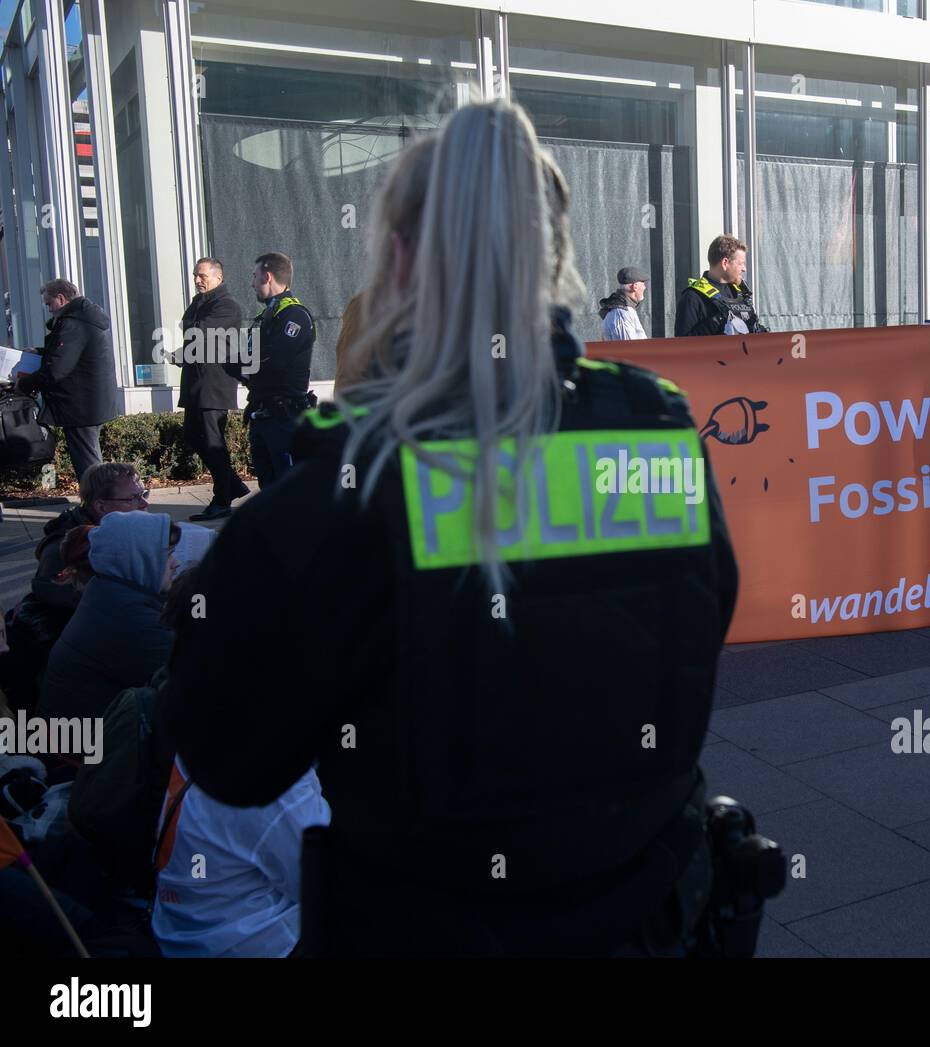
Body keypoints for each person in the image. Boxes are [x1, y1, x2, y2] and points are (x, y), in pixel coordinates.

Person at [160, 100, 739, 958]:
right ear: (556, 257)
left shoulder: (344, 486)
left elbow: (226, 756)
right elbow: (703, 623)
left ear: (398, 262)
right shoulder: (657, 429)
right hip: (647, 921)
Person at [0, 464, 149, 712]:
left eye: (145, 495)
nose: (144, 504)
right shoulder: (67, 548)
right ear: (101, 506)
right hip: (48, 665)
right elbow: (87, 606)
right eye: (134, 498)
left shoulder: (122, 532)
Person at [152, 759, 329, 958]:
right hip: (258, 943)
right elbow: (325, 886)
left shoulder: (204, 739)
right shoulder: (273, 779)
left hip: (184, 933)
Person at [37, 512, 179, 722]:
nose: (176, 563)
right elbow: (200, 676)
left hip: (75, 739)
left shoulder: (105, 592)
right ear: (138, 560)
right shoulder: (131, 620)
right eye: (168, 555)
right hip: (87, 750)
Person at [14, 279, 117, 484]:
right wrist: (40, 352)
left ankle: (98, 505)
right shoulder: (87, 317)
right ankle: (99, 503)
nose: (49, 310)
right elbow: (70, 354)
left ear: (61, 299)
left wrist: (24, 384)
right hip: (90, 402)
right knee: (90, 457)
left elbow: (57, 369)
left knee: (87, 463)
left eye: (48, 304)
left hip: (80, 405)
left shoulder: (73, 323)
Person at [231, 252, 316, 487]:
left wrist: (236, 365)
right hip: (263, 415)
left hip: (285, 418)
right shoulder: (266, 315)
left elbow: (274, 362)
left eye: (254, 276)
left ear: (267, 277)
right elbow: (254, 363)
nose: (251, 283)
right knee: (268, 488)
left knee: (290, 491)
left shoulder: (295, 315)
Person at [178, 258, 251, 521]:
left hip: (214, 384)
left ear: (218, 277)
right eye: (195, 276)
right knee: (192, 435)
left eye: (202, 276)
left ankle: (222, 497)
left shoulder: (226, 305)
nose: (197, 280)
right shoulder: (201, 302)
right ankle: (232, 484)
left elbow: (197, 331)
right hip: (197, 382)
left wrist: (188, 337)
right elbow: (190, 330)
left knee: (212, 441)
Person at [675, 235, 768, 337]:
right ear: (725, 263)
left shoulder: (739, 292)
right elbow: (682, 345)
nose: (744, 269)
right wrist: (716, 322)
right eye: (741, 263)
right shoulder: (693, 297)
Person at [597, 267, 650, 340]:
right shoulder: (621, 314)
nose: (644, 287)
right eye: (643, 284)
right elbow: (628, 349)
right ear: (635, 286)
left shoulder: (622, 312)